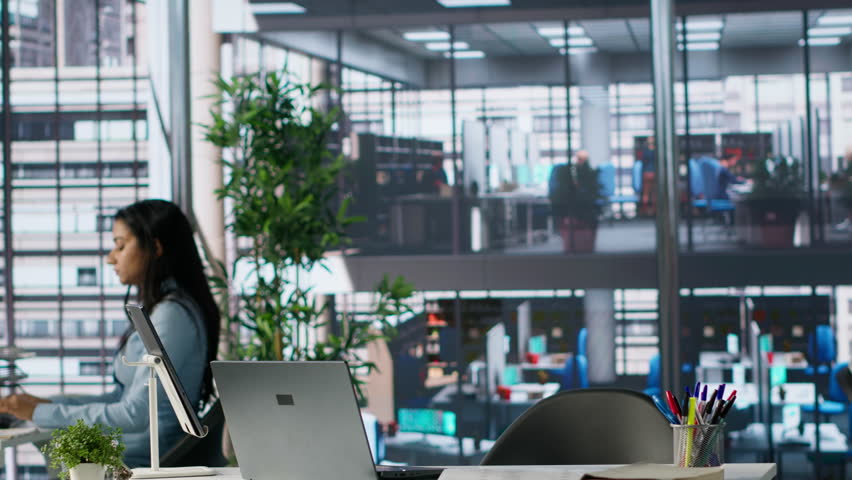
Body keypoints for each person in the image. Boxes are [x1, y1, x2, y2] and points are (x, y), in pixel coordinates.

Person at [0, 199, 220, 468]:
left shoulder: (171, 315)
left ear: (155, 248)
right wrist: (45, 404)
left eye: (120, 245)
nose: (110, 257)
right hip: (138, 452)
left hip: (146, 459)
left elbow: (135, 414)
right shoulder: (165, 309)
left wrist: (41, 411)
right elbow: (120, 398)